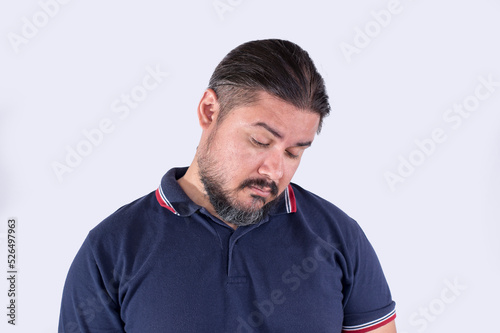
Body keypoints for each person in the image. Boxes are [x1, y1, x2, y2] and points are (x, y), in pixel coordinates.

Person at [58, 39, 397, 333]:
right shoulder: (111, 249)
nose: (274, 170)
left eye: (294, 152)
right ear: (209, 111)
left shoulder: (340, 238)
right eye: (260, 141)